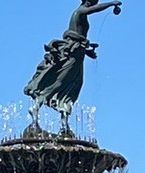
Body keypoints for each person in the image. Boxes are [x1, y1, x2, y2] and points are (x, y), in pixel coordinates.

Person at [24, 1, 123, 133]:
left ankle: (64, 122)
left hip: (77, 54)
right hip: (73, 53)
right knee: (61, 81)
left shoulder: (81, 13)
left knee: (74, 85)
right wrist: (111, 3)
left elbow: (78, 38)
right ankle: (37, 107)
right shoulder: (80, 11)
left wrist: (87, 52)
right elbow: (94, 10)